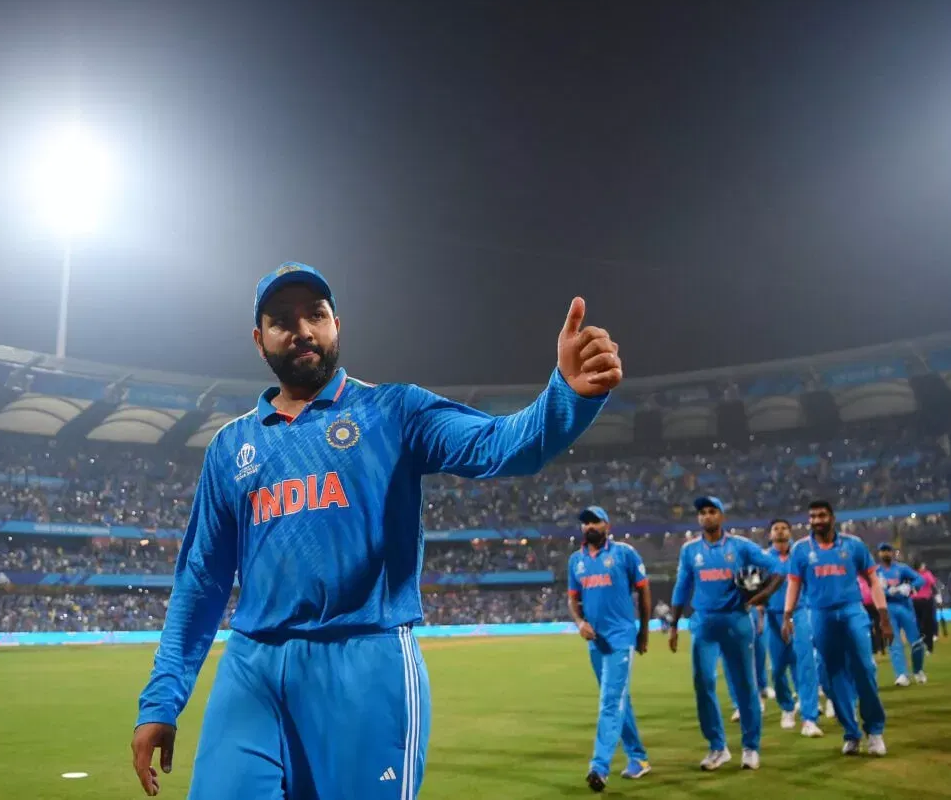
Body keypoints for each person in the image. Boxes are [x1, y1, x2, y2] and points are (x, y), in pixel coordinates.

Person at [130, 262, 622, 798]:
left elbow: (501, 446)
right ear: (259, 339)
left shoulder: (394, 410)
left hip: (365, 663)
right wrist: (162, 700)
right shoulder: (231, 446)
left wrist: (566, 397)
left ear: (336, 325)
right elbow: (201, 579)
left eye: (315, 314)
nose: (302, 330)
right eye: (281, 320)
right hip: (252, 667)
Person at [668, 496, 782, 772]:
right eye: (702, 513)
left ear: (721, 516)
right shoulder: (689, 550)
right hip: (703, 623)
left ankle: (750, 747)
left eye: (712, 511)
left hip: (736, 621)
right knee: (703, 683)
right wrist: (673, 625)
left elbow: (779, 569)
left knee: (745, 685)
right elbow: (682, 587)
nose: (706, 516)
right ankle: (717, 747)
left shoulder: (741, 546)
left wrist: (762, 596)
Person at [783, 500, 891, 756]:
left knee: (864, 670)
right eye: (812, 517)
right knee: (831, 677)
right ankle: (851, 733)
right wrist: (787, 615)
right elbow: (794, 585)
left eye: (821, 515)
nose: (817, 520)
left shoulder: (853, 545)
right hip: (819, 615)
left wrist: (883, 617)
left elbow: (873, 580)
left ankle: (875, 731)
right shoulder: (800, 549)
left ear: (832, 517)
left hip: (852, 610)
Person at [567, 505, 652, 792]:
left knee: (609, 701)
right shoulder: (575, 561)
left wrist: (643, 631)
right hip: (595, 642)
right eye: (585, 522)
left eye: (595, 521)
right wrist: (579, 623)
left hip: (621, 638)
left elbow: (643, 589)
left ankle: (599, 767)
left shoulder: (624, 554)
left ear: (607, 524)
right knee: (618, 701)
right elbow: (573, 599)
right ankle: (638, 758)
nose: (589, 526)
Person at [763, 519, 823, 737]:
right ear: (770, 535)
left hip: (800, 611)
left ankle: (809, 718)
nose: (780, 531)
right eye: (776, 528)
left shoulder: (801, 554)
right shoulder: (763, 558)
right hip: (773, 616)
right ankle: (787, 707)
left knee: (805, 663)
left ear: (790, 532)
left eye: (784, 528)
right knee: (777, 668)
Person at [874, 543, 926, 686]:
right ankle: (901, 674)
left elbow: (921, 579)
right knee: (894, 642)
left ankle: (918, 670)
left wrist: (910, 587)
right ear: (879, 554)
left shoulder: (902, 568)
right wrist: (886, 592)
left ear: (892, 553)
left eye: (888, 551)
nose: (885, 554)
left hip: (905, 607)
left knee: (916, 642)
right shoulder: (876, 571)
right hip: (888, 608)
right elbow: (870, 589)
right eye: (883, 551)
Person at [911, 561, 939, 653]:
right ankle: (922, 642)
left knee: (927, 623)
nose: (924, 567)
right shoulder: (913, 574)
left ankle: (929, 646)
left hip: (925, 600)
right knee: (918, 623)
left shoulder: (926, 574)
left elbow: (932, 583)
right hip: (915, 601)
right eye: (922, 565)